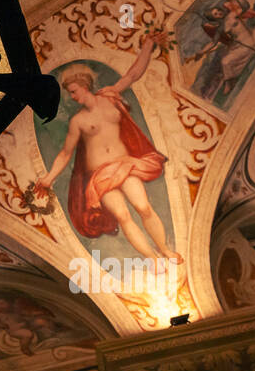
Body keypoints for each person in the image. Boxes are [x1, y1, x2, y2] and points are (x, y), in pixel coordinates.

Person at [35, 34, 182, 265]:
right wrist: (48, 179)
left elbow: (133, 74)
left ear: (84, 85)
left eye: (73, 91)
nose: (72, 96)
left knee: (143, 207)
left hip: (125, 165)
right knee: (123, 216)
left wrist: (148, 45)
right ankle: (152, 259)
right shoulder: (78, 121)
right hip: (100, 177)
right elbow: (65, 153)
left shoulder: (111, 97)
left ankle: (165, 250)